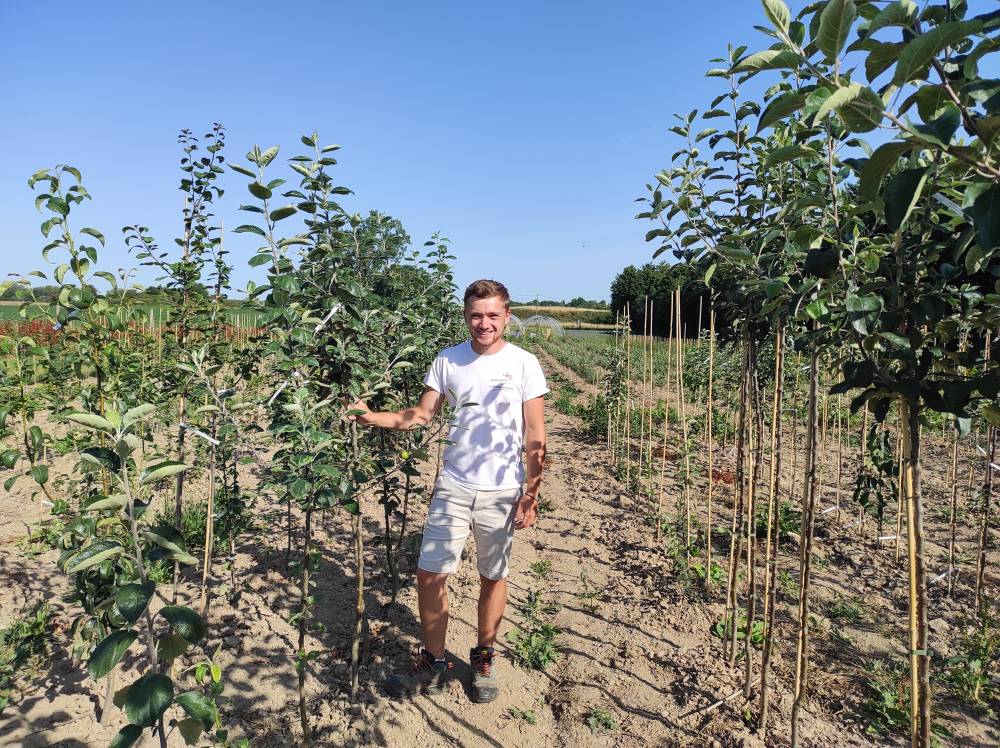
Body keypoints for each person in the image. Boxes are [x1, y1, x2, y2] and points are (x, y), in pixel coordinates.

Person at [350, 278, 548, 703]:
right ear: (465, 316)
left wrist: (531, 493)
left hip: (502, 491)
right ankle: (435, 663)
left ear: (507, 316)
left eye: (493, 315)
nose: (484, 323)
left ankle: (483, 658)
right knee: (429, 573)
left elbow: (536, 433)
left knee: (493, 575)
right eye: (476, 315)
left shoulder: (525, 363)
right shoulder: (448, 360)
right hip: (454, 486)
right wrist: (369, 418)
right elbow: (420, 415)